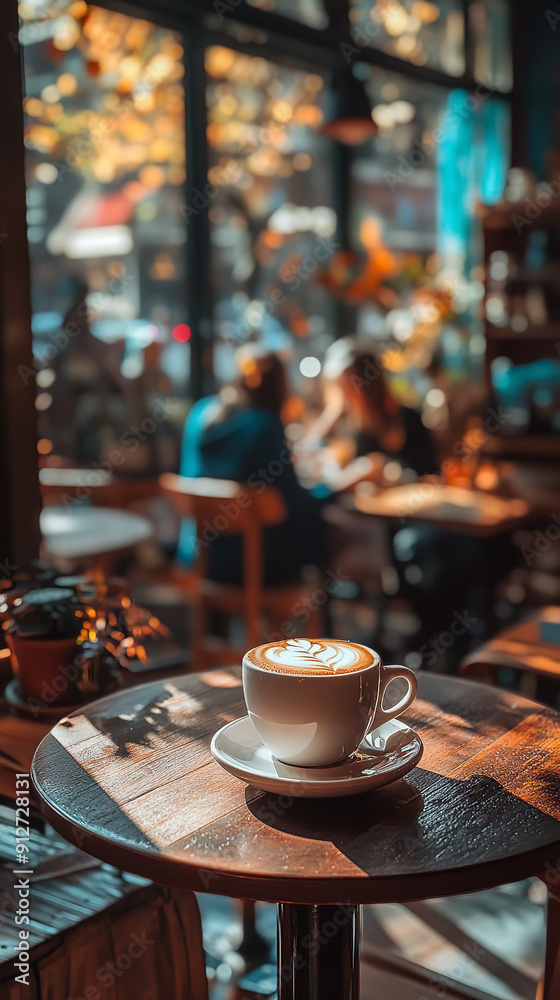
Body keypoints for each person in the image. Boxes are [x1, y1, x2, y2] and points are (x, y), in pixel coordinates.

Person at [177, 345, 325, 586]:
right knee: (324, 532)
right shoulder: (265, 426)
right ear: (278, 386)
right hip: (254, 566)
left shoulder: (199, 413)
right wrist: (337, 489)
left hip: (198, 557)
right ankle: (322, 618)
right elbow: (293, 501)